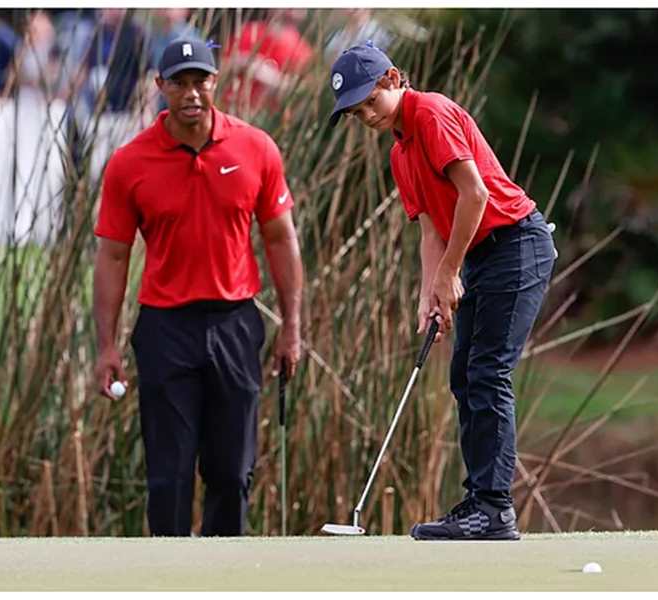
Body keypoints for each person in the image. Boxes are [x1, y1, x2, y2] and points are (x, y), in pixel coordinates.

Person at [327, 43, 557, 541]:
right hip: (481, 254)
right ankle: (479, 502)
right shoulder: (399, 152)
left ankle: (494, 509)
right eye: (356, 112)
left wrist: (450, 272)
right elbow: (431, 229)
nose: (367, 115)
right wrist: (428, 292)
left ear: (393, 78)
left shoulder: (430, 113)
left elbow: (475, 195)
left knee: (488, 371)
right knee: (464, 375)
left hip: (516, 244)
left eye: (370, 101)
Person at [92, 38, 303, 536]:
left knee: (232, 472)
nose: (191, 93)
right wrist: (106, 346)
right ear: (160, 86)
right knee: (170, 476)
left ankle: (223, 572)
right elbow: (113, 255)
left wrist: (292, 326)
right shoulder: (129, 162)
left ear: (215, 82)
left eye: (200, 81)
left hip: (235, 323)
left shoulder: (256, 147)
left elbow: (280, 238)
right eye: (179, 83)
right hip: (165, 328)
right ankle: (169, 573)